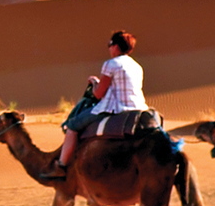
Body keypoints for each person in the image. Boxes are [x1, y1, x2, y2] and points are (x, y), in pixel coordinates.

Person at [44, 31, 147, 180]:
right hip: (139, 108)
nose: (109, 48)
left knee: (73, 126)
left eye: (110, 45)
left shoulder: (110, 64)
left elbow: (98, 94)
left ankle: (61, 166)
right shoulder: (137, 66)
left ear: (116, 46)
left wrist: (94, 83)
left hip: (115, 109)